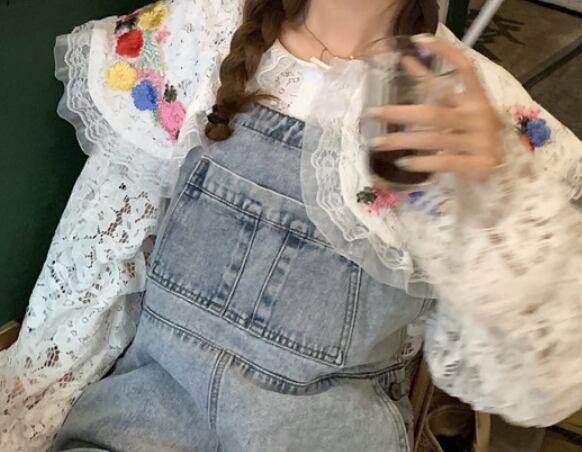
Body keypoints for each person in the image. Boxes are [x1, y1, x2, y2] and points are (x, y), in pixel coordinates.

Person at [1, 0, 581, 450]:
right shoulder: (198, 34)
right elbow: (93, 275)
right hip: (134, 428)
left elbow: (545, 379)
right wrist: (22, 424)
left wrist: (497, 195)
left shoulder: (477, 111)